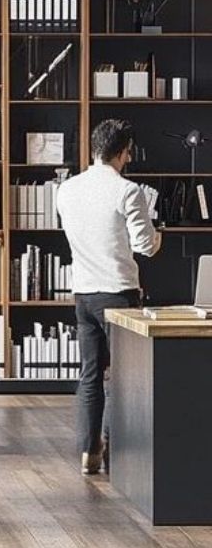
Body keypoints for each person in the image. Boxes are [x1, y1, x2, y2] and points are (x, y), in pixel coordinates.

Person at [56, 118, 162, 476]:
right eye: (128, 152)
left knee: (90, 374)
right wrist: (157, 231)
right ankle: (118, 451)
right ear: (122, 152)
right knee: (123, 376)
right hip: (118, 293)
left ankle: (89, 451)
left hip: (83, 293)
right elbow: (146, 246)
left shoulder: (66, 190)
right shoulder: (127, 191)